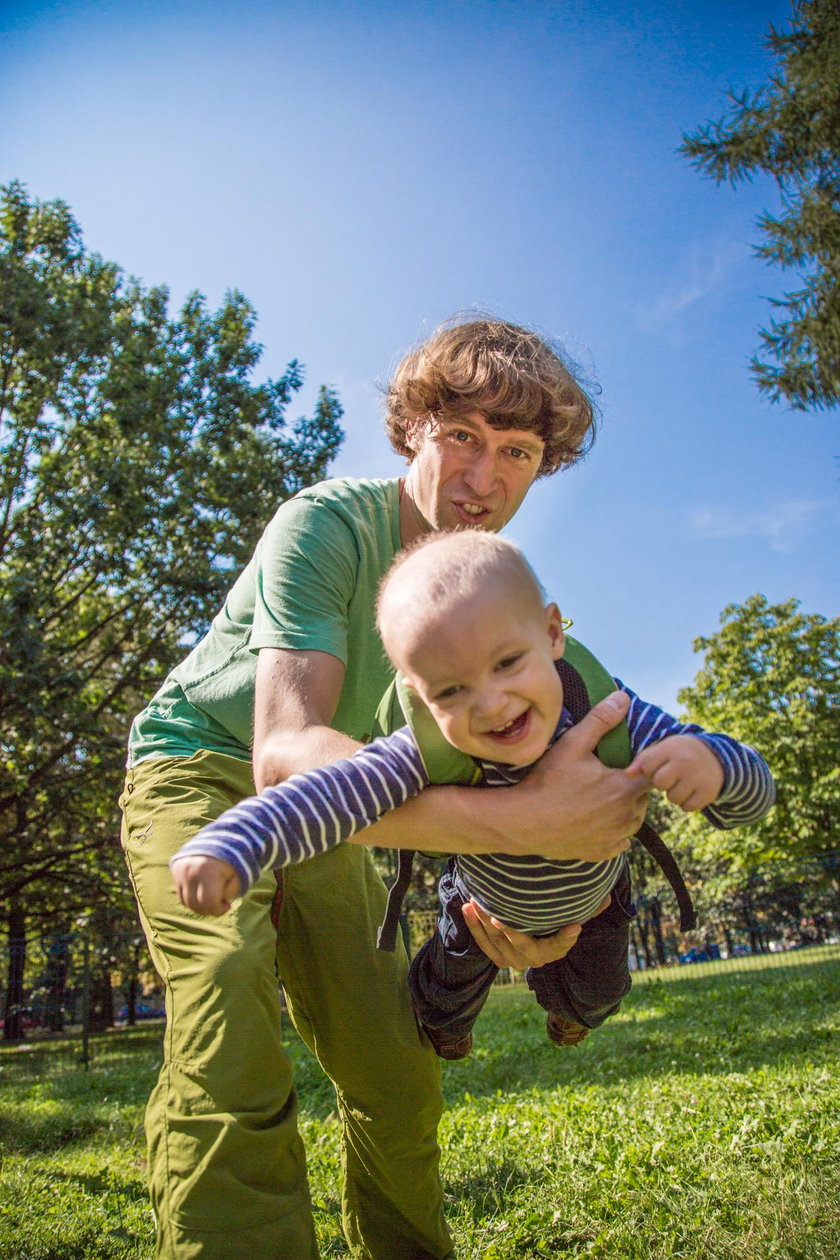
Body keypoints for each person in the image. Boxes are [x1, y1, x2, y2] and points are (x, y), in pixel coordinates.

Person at [119, 317, 651, 1260]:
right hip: (201, 771)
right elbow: (282, 751)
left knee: (396, 1070)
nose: (483, 479)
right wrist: (518, 819)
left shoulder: (491, 595)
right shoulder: (326, 523)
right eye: (462, 437)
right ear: (413, 429)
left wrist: (536, 901)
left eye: (516, 452)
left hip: (349, 809)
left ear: (542, 468)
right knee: (227, 1004)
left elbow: (515, 780)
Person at [171, 530, 776, 1062]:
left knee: (600, 989)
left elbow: (752, 799)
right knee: (449, 983)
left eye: (509, 662)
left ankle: (573, 1014)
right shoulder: (425, 748)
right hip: (481, 901)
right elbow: (324, 796)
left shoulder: (613, 714)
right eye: (452, 690)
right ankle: (445, 1027)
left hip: (594, 898)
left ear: (552, 632)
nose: (490, 705)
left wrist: (716, 767)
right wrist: (235, 842)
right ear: (418, 694)